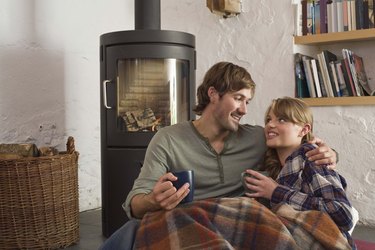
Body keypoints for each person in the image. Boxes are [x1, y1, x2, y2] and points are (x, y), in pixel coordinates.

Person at [100, 62, 337, 249]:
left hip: (238, 221)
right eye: (238, 99)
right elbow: (135, 202)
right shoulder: (168, 139)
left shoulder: (258, 137)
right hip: (189, 222)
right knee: (135, 229)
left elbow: (295, 142)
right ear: (213, 94)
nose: (245, 110)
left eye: (248, 101)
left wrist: (330, 153)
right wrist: (153, 201)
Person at [242, 97, 355, 249]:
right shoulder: (274, 165)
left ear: (304, 129)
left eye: (281, 119)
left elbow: (343, 214)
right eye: (269, 119)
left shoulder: (309, 156)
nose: (270, 124)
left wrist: (276, 192)